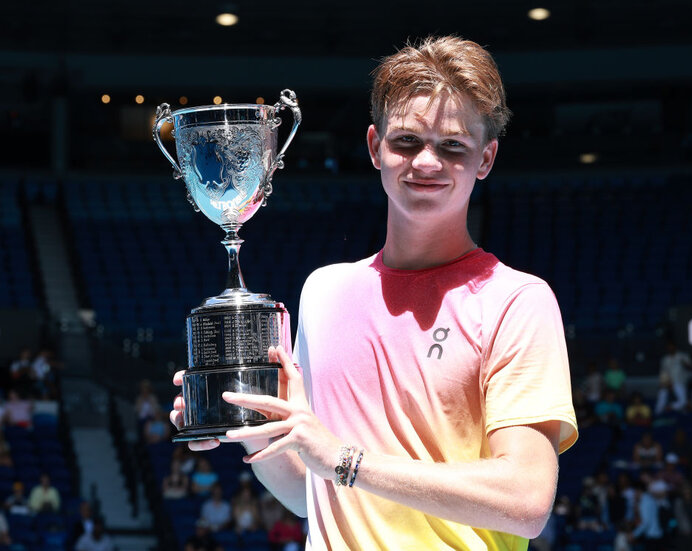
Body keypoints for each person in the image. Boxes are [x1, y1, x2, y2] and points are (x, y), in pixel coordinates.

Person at [171, 35, 578, 550]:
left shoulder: (518, 301)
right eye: (406, 141)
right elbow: (313, 494)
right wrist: (243, 423)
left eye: (453, 146)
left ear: (486, 158)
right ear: (374, 147)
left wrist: (343, 459)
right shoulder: (323, 292)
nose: (426, 162)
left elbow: (525, 501)